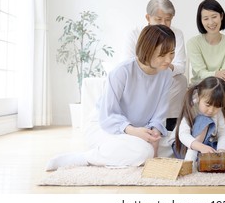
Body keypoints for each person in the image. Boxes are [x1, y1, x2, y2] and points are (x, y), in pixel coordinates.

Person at [46, 25, 176, 171]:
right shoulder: (122, 72)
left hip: (141, 131)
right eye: (162, 55)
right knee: (144, 151)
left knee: (175, 145)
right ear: (147, 51)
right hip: (106, 126)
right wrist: (133, 131)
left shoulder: (166, 75)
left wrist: (155, 135)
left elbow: (160, 113)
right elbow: (107, 116)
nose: (168, 59)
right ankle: (84, 158)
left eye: (171, 53)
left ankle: (116, 153)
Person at [122, 0, 187, 131]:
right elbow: (128, 62)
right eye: (158, 19)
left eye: (168, 19)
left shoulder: (177, 34)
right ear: (148, 17)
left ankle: (171, 123)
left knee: (181, 80)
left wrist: (162, 66)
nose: (163, 24)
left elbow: (180, 65)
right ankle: (138, 122)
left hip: (166, 74)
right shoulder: (134, 33)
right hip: (141, 76)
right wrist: (151, 67)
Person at [186, 0, 225, 118]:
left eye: (214, 16)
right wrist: (216, 73)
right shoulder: (193, 43)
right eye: (206, 18)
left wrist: (217, 75)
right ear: (201, 21)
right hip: (199, 85)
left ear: (221, 16)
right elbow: (200, 73)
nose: (211, 22)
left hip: (222, 86)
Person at [172, 76, 225, 166]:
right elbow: (183, 135)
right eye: (208, 105)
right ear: (199, 96)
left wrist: (221, 151)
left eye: (217, 107)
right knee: (204, 120)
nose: (211, 110)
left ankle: (205, 159)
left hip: (207, 145)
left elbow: (223, 134)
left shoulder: (218, 113)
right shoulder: (192, 109)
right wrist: (200, 146)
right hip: (186, 146)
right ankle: (191, 161)